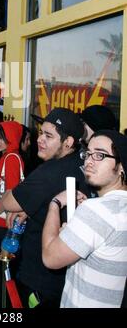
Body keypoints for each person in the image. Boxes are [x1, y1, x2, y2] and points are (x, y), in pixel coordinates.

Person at [0, 107, 91, 308]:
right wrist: (30, 207)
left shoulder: (51, 172)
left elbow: (10, 200)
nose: (39, 139)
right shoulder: (81, 162)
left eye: (48, 136)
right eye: (41, 132)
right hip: (66, 277)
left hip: (41, 279)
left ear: (68, 142)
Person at [42, 130, 127, 308]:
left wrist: (55, 203)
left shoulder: (96, 211)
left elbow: (50, 257)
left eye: (99, 155)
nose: (88, 160)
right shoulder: (114, 209)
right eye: (87, 153)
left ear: (121, 168)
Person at [0, 121, 25, 307]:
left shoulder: (11, 158)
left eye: (2, 137)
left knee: (5, 278)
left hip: (4, 225)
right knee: (2, 277)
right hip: (1, 223)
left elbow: (11, 193)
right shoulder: (7, 157)